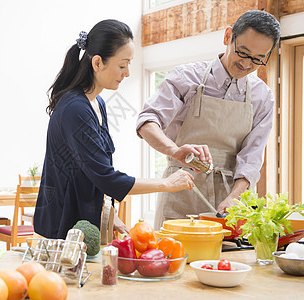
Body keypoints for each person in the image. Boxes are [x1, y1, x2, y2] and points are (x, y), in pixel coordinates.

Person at [33, 19, 195, 240]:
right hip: (62, 225)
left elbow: (94, 168)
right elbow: (106, 177)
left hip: (84, 223)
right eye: (122, 65)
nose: (127, 72)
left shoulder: (97, 103)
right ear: (97, 63)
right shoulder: (75, 109)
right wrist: (166, 183)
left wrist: (107, 212)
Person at [136, 10, 281, 229]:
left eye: (258, 59)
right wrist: (174, 150)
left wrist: (236, 197)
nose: (247, 64)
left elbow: (251, 157)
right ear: (227, 37)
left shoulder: (263, 97)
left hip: (229, 202)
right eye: (242, 52)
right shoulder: (186, 78)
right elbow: (148, 121)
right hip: (181, 190)